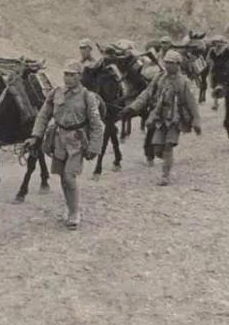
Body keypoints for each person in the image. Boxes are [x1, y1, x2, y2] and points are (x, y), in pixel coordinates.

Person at [25, 60, 104, 230]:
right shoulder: (56, 93)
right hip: (59, 139)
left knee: (69, 176)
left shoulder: (87, 96)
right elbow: (43, 116)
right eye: (66, 74)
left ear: (79, 76)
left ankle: (75, 213)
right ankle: (69, 207)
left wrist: (94, 148)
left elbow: (97, 124)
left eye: (72, 75)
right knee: (62, 176)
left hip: (77, 141)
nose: (68, 78)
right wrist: (35, 135)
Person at [121, 50, 202, 186]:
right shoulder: (159, 78)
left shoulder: (184, 82)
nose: (168, 65)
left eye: (171, 63)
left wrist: (196, 121)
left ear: (178, 64)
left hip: (175, 119)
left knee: (168, 146)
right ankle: (167, 160)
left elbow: (192, 103)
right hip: (159, 118)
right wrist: (133, 108)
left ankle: (165, 175)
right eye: (166, 62)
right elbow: (146, 94)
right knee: (157, 148)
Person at [207, 34, 228, 110]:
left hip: (224, 71)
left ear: (222, 42)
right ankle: (215, 103)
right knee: (214, 86)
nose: (217, 43)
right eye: (215, 42)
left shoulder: (226, 50)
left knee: (223, 86)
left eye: (219, 41)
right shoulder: (212, 50)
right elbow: (208, 59)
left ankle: (225, 100)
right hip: (214, 70)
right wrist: (211, 63)